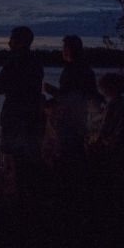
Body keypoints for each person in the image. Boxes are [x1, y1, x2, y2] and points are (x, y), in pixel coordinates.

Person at [0, 26, 45, 196]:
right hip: (33, 115)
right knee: (29, 157)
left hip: (16, 115)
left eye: (12, 39)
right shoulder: (36, 62)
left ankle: (17, 195)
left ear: (19, 42)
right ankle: (29, 194)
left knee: (14, 157)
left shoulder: (15, 61)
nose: (9, 42)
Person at [43, 35, 99, 165]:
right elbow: (89, 94)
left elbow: (68, 96)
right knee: (75, 148)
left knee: (67, 150)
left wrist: (50, 90)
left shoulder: (72, 70)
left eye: (64, 47)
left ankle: (69, 178)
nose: (63, 51)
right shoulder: (86, 69)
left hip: (69, 118)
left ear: (69, 50)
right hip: (80, 116)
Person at [93, 72, 124, 153]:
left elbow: (105, 128)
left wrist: (97, 141)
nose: (101, 91)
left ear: (109, 88)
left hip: (116, 145)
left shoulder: (114, 104)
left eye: (103, 88)